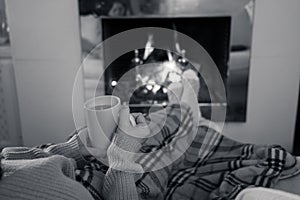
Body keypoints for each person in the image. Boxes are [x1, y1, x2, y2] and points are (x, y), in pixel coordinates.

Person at [1, 70, 300, 200]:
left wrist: (80, 145)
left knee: (158, 128)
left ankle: (182, 115)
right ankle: (184, 114)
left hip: (92, 157)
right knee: (164, 143)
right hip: (125, 181)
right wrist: (122, 154)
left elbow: (14, 155)